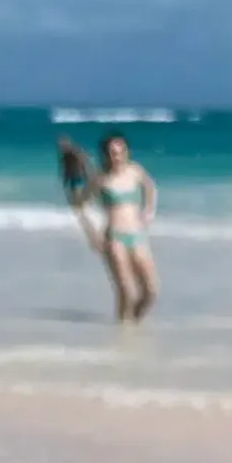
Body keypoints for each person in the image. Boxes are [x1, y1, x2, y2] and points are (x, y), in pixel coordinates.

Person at [91, 132, 158, 322]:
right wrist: (93, 233)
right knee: (126, 291)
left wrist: (149, 211)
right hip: (114, 237)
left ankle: (133, 323)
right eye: (113, 152)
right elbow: (82, 203)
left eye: (121, 151)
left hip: (137, 234)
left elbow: (150, 187)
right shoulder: (101, 179)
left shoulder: (135, 171)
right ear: (106, 155)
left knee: (151, 291)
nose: (117, 156)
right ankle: (123, 332)